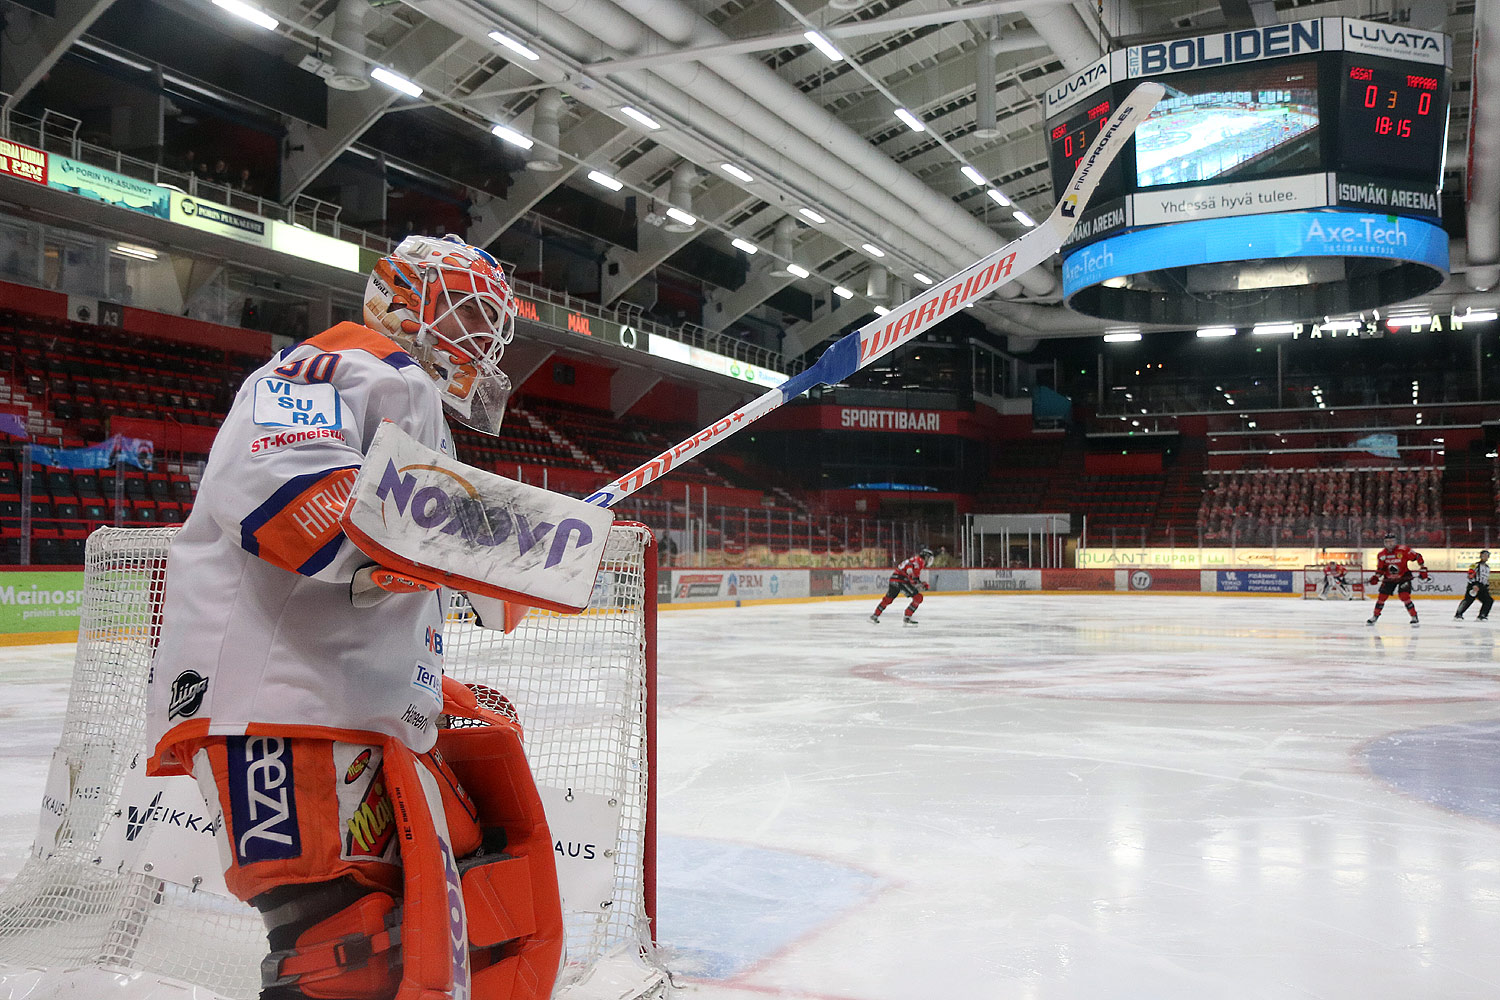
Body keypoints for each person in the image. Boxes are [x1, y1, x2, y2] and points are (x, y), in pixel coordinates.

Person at [144, 234, 542, 999]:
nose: (478, 338)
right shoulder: (343, 364)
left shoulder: (415, 406)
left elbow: (405, 571)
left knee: (382, 937)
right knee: (335, 947)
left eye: (487, 323)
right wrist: (460, 539)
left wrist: (504, 563)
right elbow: (286, 498)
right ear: (398, 298)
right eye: (462, 312)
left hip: (332, 708)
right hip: (279, 708)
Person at [1367, 531, 1427, 627]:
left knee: (1404, 596)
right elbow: (1381, 569)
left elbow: (1418, 557)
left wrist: (1423, 568)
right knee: (1381, 597)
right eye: (1387, 542)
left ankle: (1414, 616)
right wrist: (1376, 577)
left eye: (1392, 541)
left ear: (1395, 542)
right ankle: (1375, 616)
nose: (1390, 544)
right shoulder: (1381, 555)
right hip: (1389, 578)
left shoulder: (1403, 550)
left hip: (1404, 576)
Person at [870, 545, 933, 626]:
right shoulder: (919, 561)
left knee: (888, 599)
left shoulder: (914, 559)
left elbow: (910, 574)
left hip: (893, 579)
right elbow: (912, 577)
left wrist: (919, 583)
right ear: (926, 557)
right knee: (918, 598)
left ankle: (875, 615)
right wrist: (922, 584)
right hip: (901, 580)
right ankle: (907, 617)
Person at [1454, 549, 1492, 621]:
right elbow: (1470, 575)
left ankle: (1482, 615)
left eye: (1487, 556)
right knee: (1468, 600)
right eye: (1484, 555)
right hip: (1474, 585)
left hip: (1482, 587)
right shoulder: (1475, 565)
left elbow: (1485, 578)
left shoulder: (1487, 567)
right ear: (1481, 556)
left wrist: (1486, 586)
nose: (1486, 557)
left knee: (1488, 600)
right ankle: (1458, 614)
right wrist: (1473, 584)